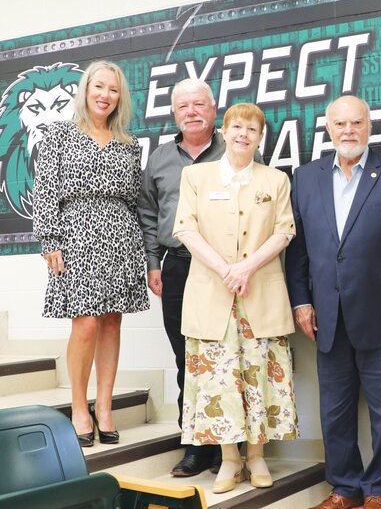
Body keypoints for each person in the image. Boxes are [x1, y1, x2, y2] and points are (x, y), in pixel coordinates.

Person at [285, 95, 381, 509]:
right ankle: (345, 488)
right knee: (334, 413)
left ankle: (379, 491)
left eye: (356, 123)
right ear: (328, 129)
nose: (348, 131)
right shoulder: (305, 178)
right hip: (327, 317)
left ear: (370, 127)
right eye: (340, 124)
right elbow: (297, 250)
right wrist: (301, 301)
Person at [172, 102, 298, 494]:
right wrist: (226, 270)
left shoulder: (275, 180)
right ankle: (229, 460)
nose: (244, 134)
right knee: (219, 379)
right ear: (224, 131)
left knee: (257, 376)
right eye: (237, 126)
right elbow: (186, 229)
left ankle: (257, 457)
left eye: (253, 130)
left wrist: (245, 269)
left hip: (260, 292)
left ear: (261, 139)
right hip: (212, 294)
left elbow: (283, 232)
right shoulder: (195, 176)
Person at [138, 78, 259, 476]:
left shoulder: (235, 147)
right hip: (178, 265)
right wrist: (154, 263)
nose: (191, 112)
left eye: (198, 105)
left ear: (213, 109)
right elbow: (149, 215)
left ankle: (236, 449)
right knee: (186, 357)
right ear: (174, 113)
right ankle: (195, 445)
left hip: (229, 269)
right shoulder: (158, 158)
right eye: (182, 107)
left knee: (231, 357)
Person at [32, 59, 149, 447]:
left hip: (120, 236)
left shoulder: (129, 144)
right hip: (75, 233)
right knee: (84, 323)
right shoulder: (59, 135)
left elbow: (134, 201)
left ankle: (105, 407)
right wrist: (49, 239)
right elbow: (46, 189)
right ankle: (79, 406)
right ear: (85, 90)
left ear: (121, 97)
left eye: (113, 90)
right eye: (99, 87)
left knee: (112, 322)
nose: (105, 95)